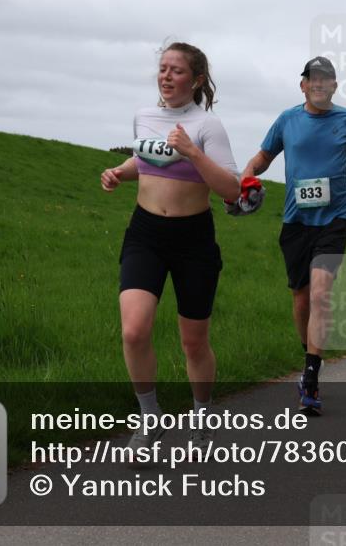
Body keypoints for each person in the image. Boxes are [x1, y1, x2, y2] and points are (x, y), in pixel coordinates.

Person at [101, 41, 241, 458]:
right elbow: (144, 161)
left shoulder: (207, 126)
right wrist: (118, 172)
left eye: (176, 70)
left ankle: (201, 419)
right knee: (134, 329)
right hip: (145, 232)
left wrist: (194, 152)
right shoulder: (144, 116)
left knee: (193, 343)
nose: (166, 76)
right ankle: (150, 420)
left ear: (196, 80)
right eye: (162, 69)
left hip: (192, 239)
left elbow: (231, 189)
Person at [242, 56, 346, 414]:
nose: (318, 85)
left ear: (334, 86)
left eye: (325, 80)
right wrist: (247, 176)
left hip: (335, 220)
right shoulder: (287, 120)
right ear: (302, 85)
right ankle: (310, 357)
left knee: (320, 293)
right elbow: (263, 158)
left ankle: (311, 381)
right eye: (311, 79)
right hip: (296, 221)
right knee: (301, 300)